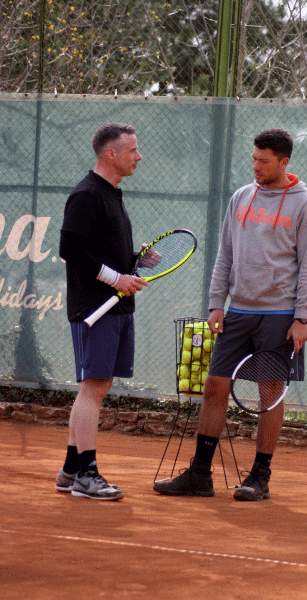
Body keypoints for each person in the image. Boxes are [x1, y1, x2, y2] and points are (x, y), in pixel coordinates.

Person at [154, 128, 307, 501]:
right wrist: (217, 303)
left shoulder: (305, 205)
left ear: (284, 162)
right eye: (254, 159)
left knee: (270, 393)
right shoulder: (241, 198)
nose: (257, 166)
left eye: (264, 161)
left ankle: (259, 477)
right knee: (215, 386)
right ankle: (200, 475)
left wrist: (302, 317)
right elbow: (225, 254)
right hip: (237, 311)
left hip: (280, 314)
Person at [56, 123, 155, 501]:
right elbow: (72, 250)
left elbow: (101, 250)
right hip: (94, 308)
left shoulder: (112, 194)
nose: (138, 156)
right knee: (93, 388)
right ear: (110, 154)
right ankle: (86, 475)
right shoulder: (86, 195)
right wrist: (116, 278)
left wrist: (134, 260)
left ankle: (70, 470)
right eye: (132, 149)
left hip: (115, 306)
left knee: (97, 386)